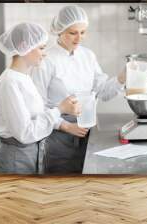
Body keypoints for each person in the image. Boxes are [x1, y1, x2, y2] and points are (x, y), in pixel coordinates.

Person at [32, 6, 126, 173]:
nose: (79, 38)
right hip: (58, 136)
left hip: (88, 131)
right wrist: (65, 126)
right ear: (60, 31)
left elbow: (102, 91)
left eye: (83, 32)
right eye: (73, 33)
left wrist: (122, 78)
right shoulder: (46, 60)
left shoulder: (87, 56)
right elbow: (37, 106)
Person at [0, 22, 81, 174]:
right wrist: (59, 109)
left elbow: (37, 113)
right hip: (15, 160)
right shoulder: (9, 83)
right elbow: (25, 133)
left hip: (28, 154)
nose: (45, 53)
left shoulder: (24, 77)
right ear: (25, 46)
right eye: (41, 48)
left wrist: (64, 123)